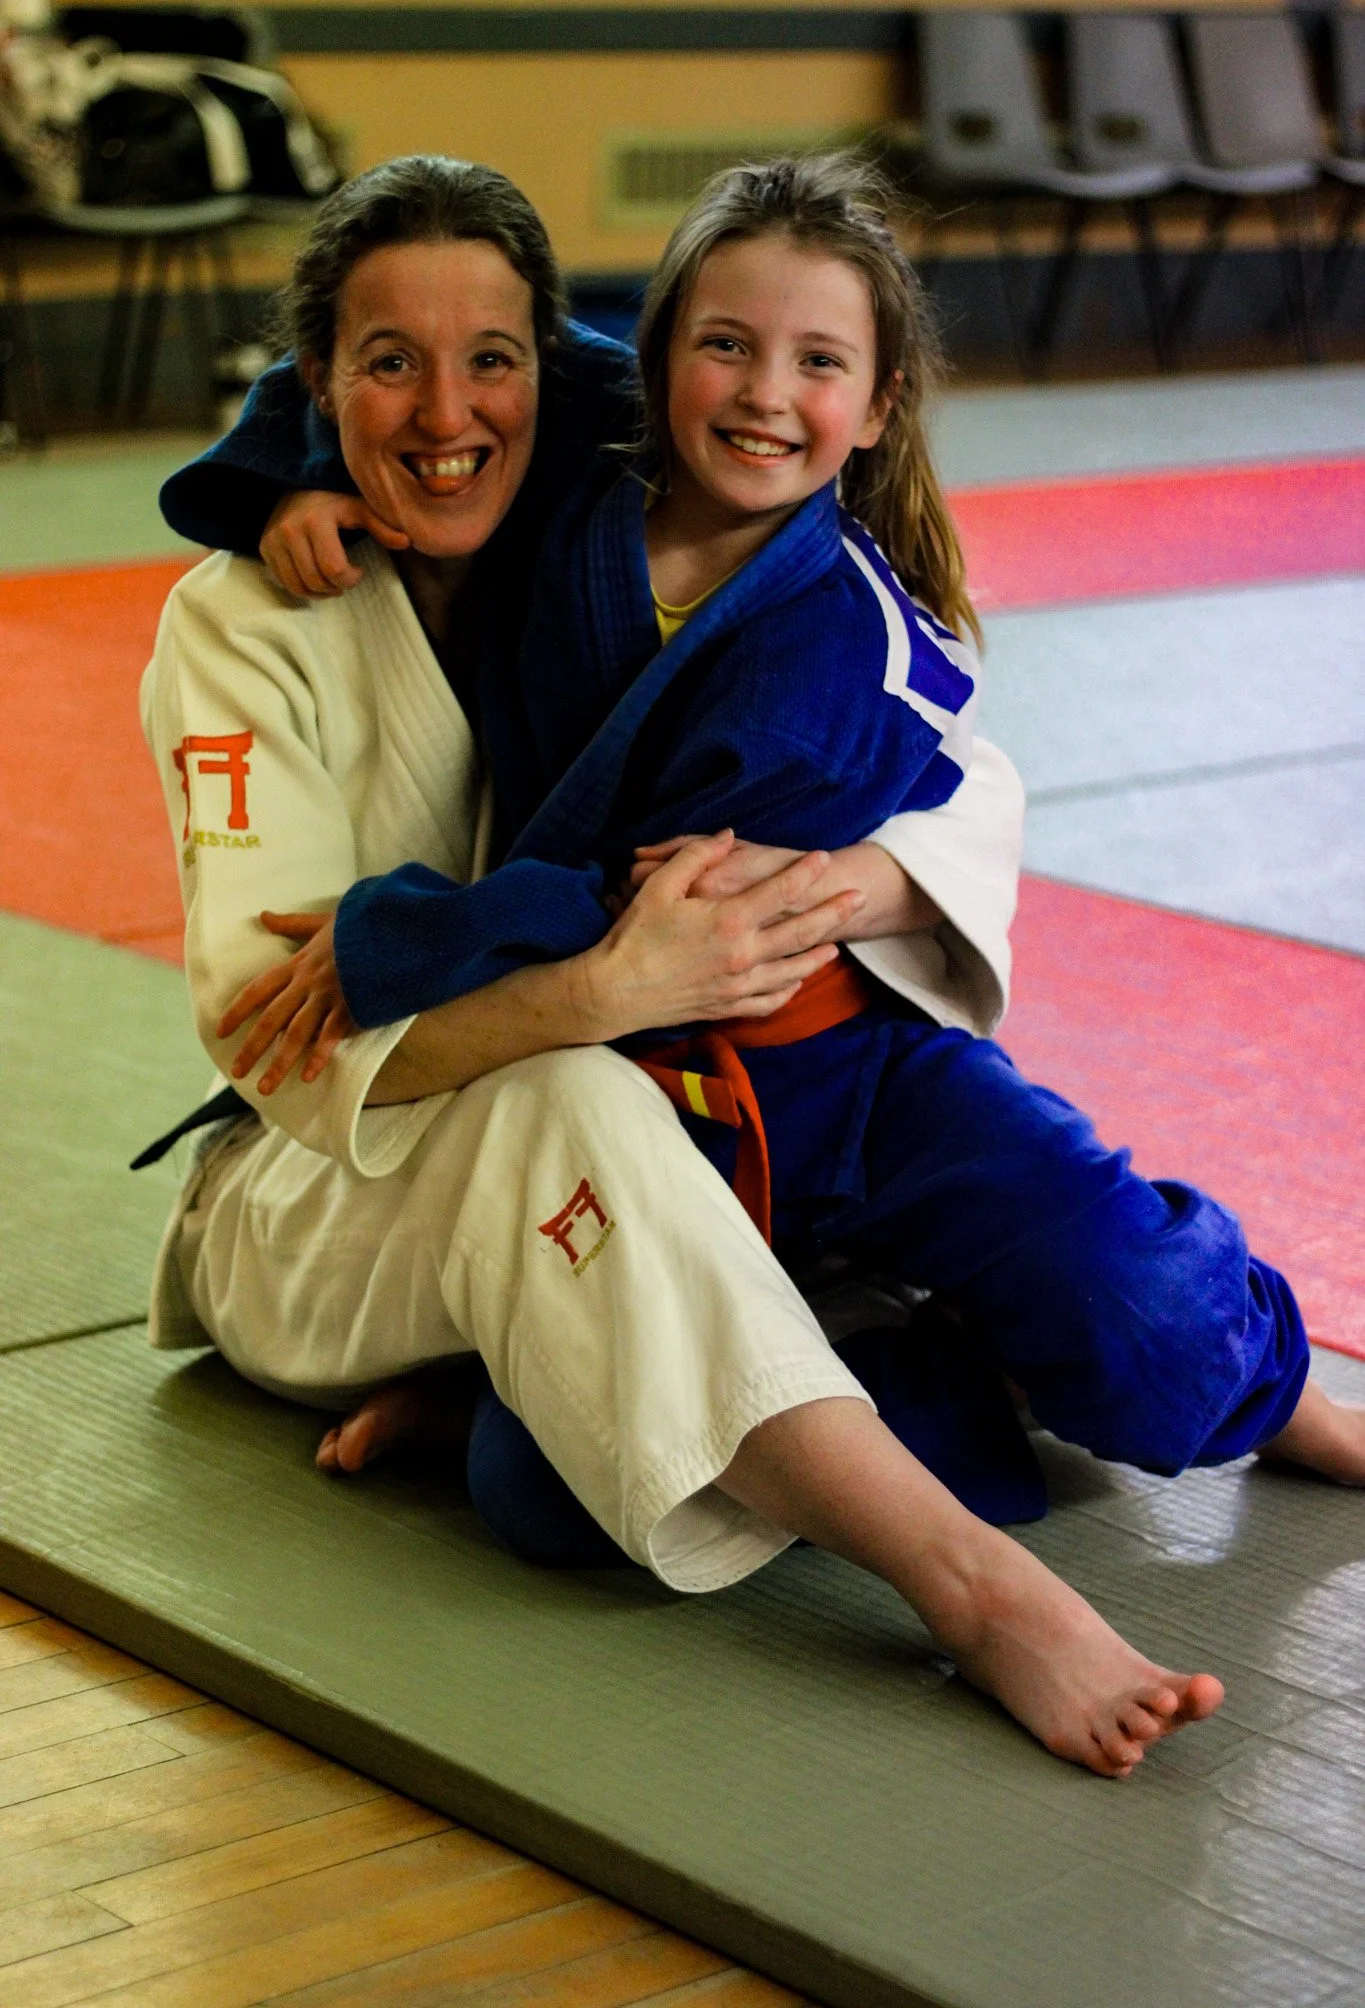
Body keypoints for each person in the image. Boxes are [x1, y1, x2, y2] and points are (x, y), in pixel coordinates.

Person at [150, 152, 1278, 1782]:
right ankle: (971, 1583)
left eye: (493, 360)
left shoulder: (621, 495)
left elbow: (963, 771)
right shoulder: (252, 615)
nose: (449, 411)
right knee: (565, 1161)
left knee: (587, 1431)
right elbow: (282, 1042)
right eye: (387, 365)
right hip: (348, 1177)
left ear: (561, 359)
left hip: (740, 1094)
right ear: (322, 381)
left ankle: (1080, 1358)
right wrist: (605, 988)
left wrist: (871, 873)